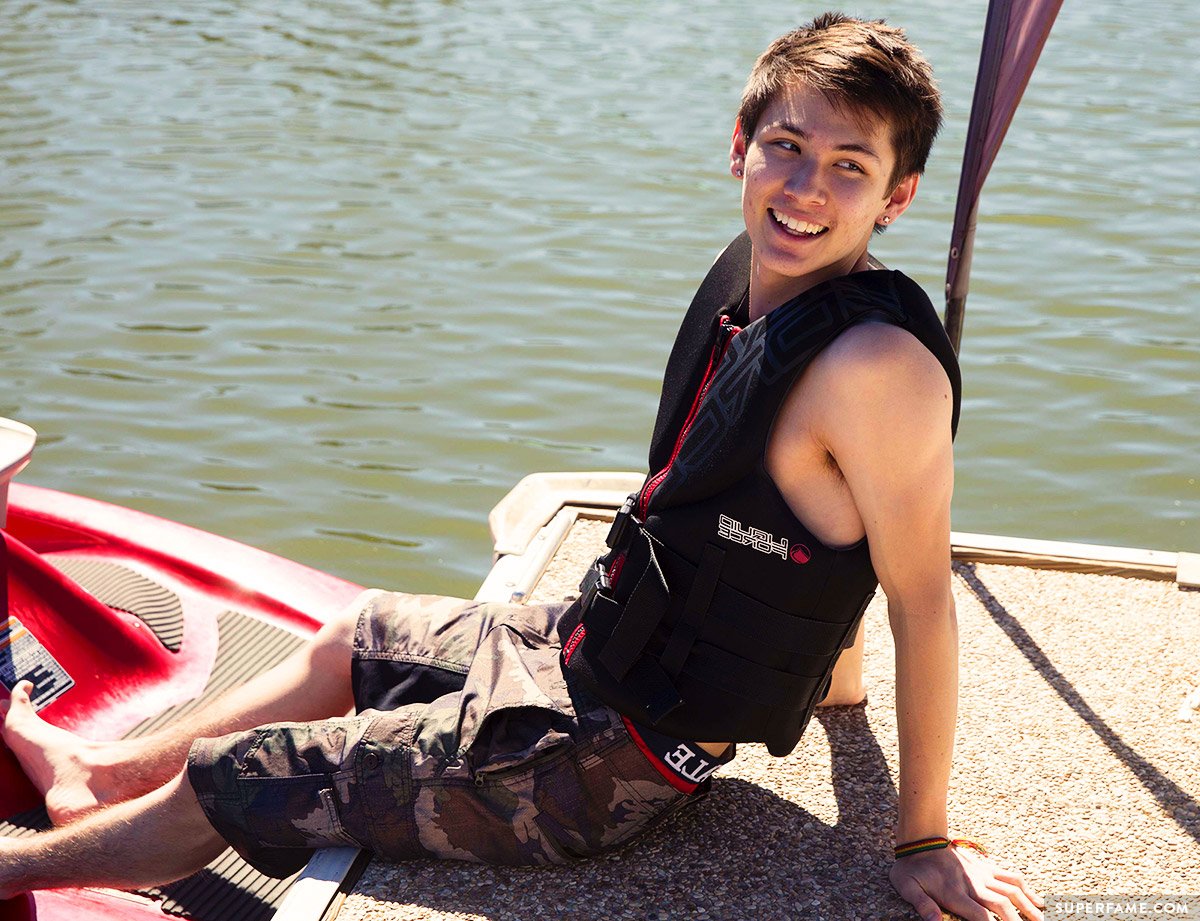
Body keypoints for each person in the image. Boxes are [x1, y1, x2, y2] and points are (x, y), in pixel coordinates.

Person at [0, 13, 1043, 920]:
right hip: (590, 646)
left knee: (239, 775)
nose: (806, 187)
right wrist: (835, 688)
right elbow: (799, 531)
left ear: (897, 196)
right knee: (348, 636)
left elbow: (915, 592)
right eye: (786, 146)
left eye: (849, 166)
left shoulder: (878, 369)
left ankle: (21, 868)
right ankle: (97, 773)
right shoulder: (760, 284)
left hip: (615, 760)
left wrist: (920, 838)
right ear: (739, 146)